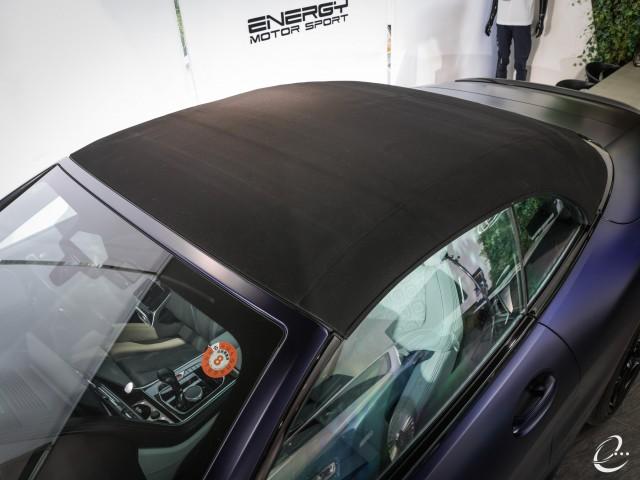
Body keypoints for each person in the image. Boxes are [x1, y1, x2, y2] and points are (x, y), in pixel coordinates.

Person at [485, 0, 548, 81]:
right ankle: (498, 88)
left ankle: (520, 88)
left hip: (523, 21)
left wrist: (541, 19)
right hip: (502, 20)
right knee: (502, 61)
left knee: (520, 64)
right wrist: (491, 18)